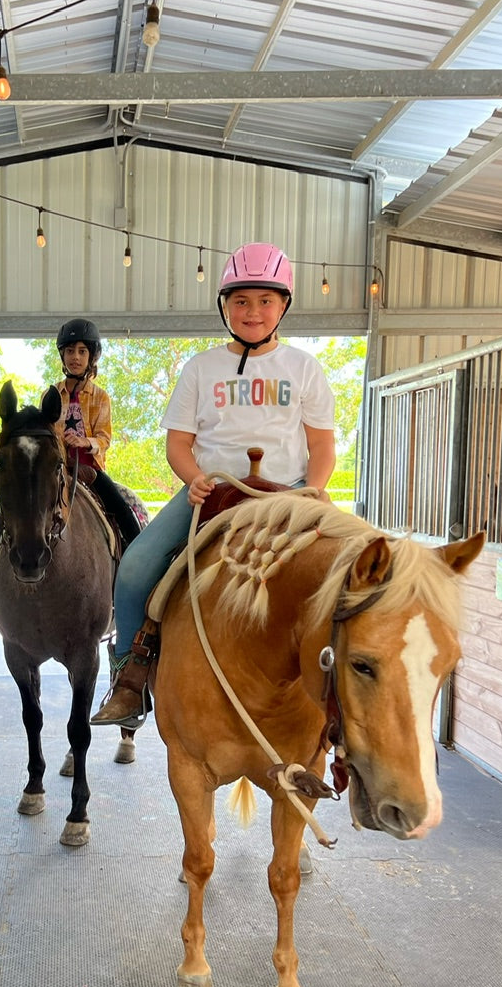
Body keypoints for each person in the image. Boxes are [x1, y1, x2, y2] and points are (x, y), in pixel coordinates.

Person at [90, 242, 336, 727]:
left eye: (266, 300)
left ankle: (348, 696)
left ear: (283, 305)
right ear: (224, 306)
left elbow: (323, 446)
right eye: (241, 300)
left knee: (357, 573)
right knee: (137, 567)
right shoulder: (201, 368)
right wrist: (195, 479)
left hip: (287, 495)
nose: (253, 311)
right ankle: (129, 679)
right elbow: (179, 444)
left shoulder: (304, 368)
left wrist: (314, 487)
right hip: (213, 491)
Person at [0, 317, 142, 588]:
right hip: (55, 467)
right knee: (13, 504)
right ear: (62, 355)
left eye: (82, 351)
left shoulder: (100, 397)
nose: (76, 357)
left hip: (89, 469)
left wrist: (85, 442)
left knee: (120, 505)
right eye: (70, 351)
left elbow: (104, 437)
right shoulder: (51, 394)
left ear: (91, 357)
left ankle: (137, 555)